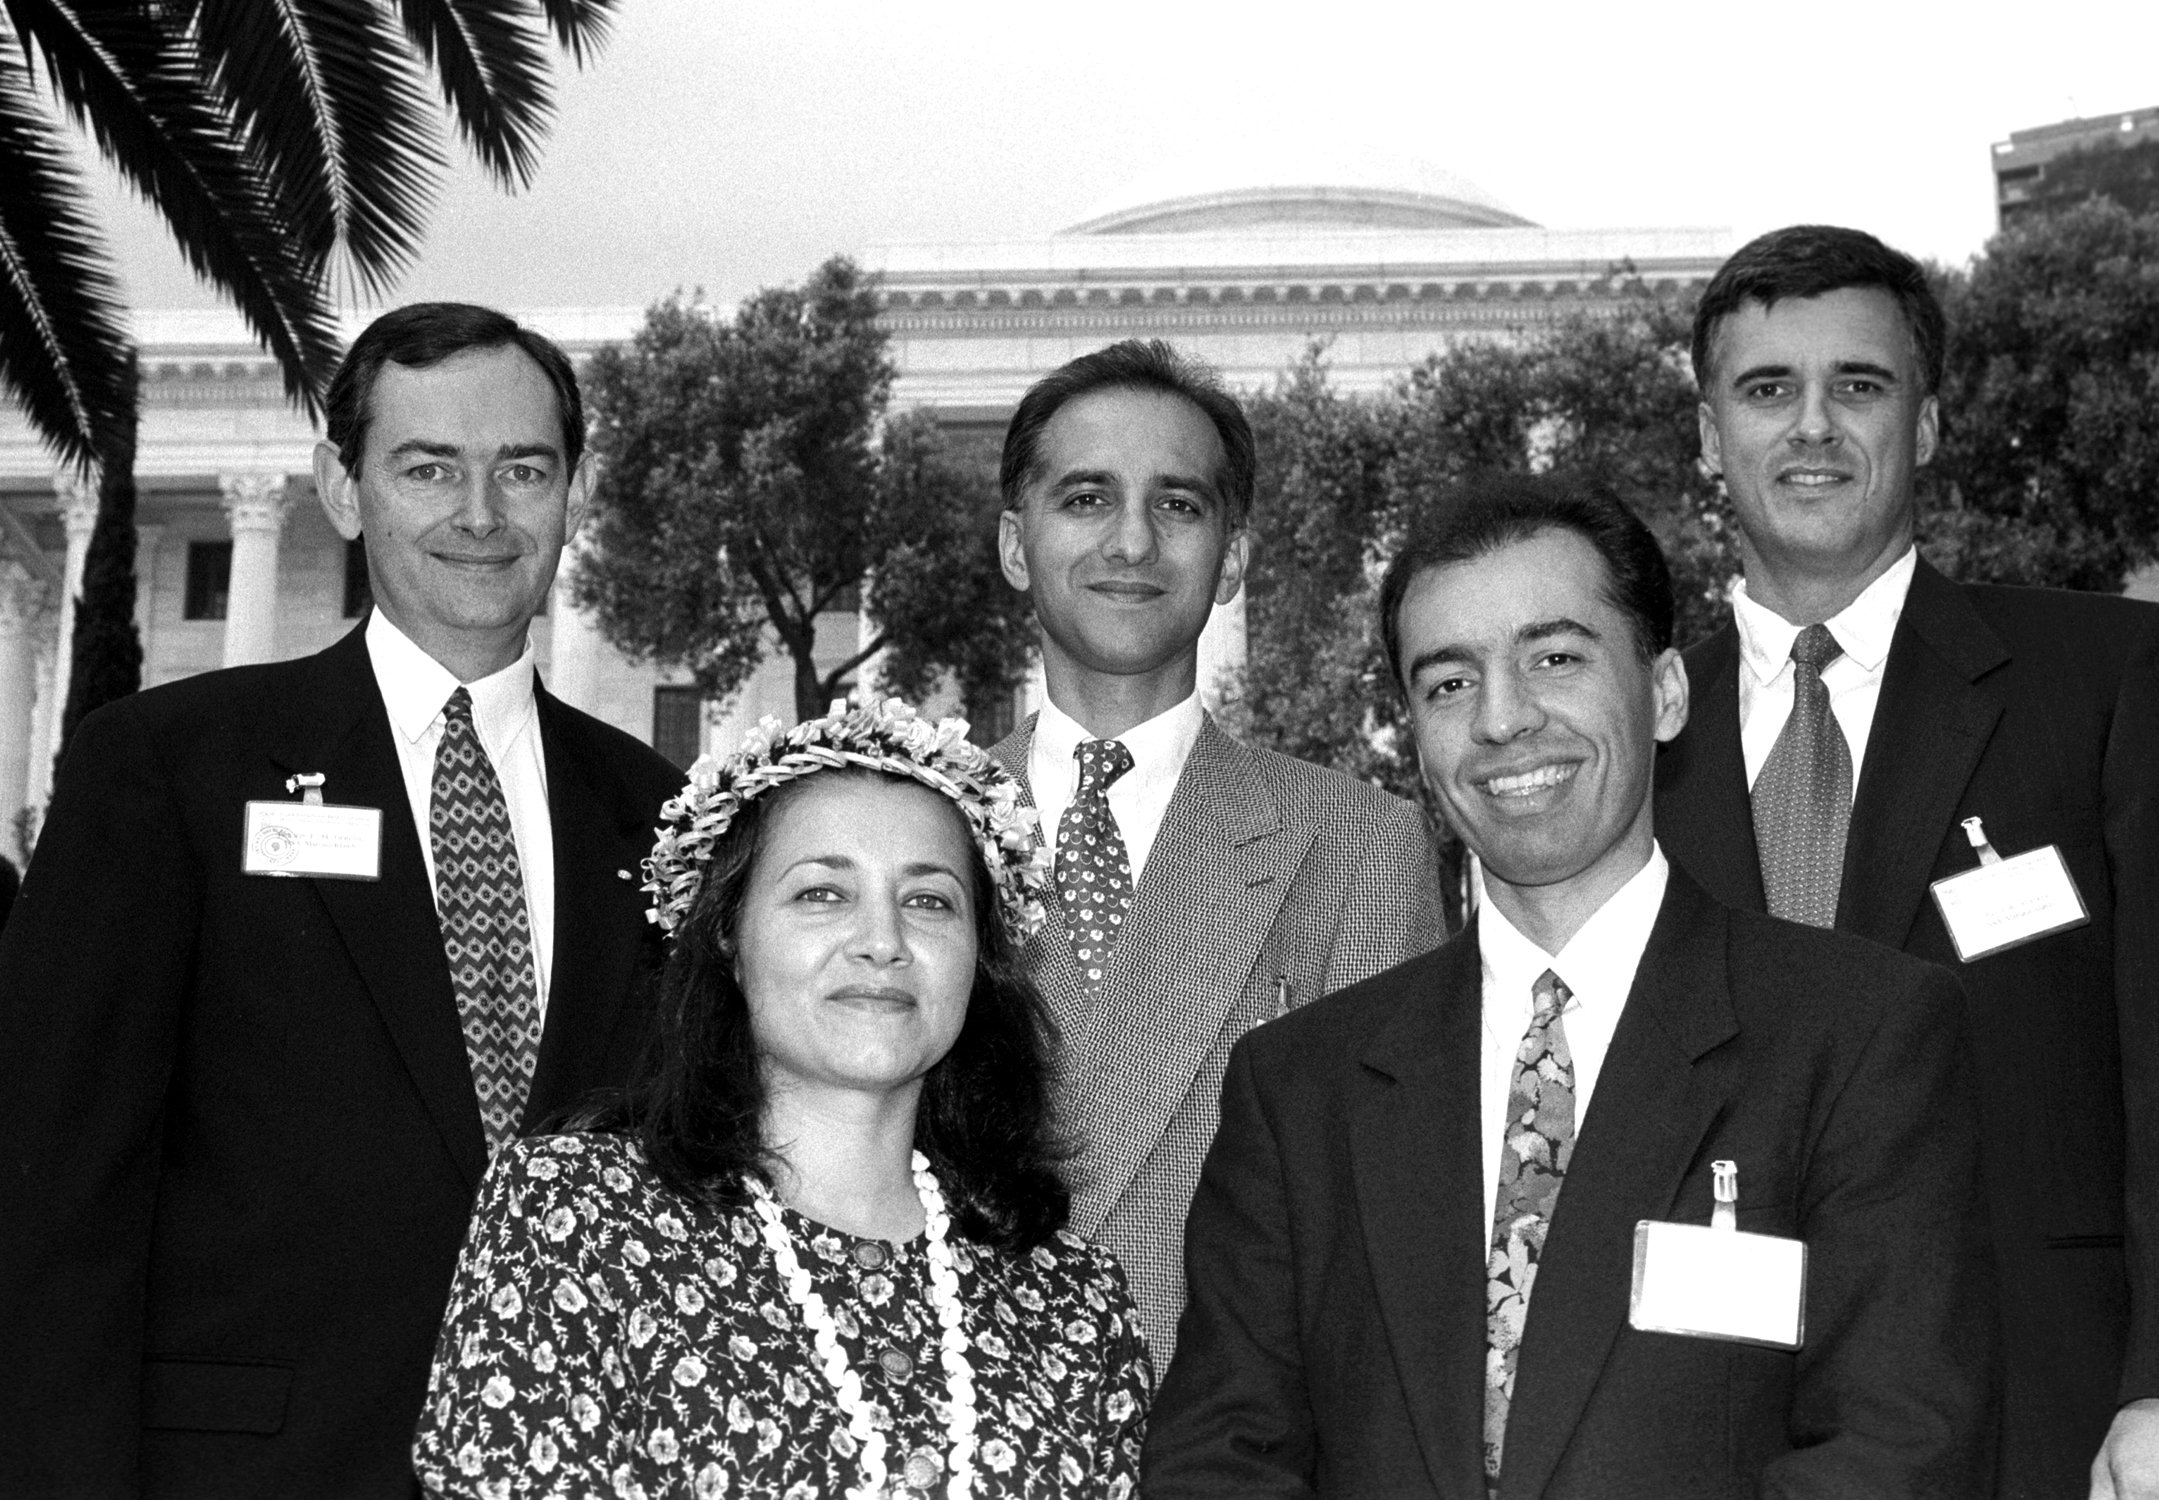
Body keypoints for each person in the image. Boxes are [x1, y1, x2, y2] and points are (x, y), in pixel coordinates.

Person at [1146, 474, 1998, 1498]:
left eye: (1553, 657)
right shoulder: (1299, 1088)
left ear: (1668, 692)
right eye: (1449, 683)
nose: (1502, 720)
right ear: (1415, 741)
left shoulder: (1858, 1037)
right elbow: (1220, 1458)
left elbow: (1895, 1450)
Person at [1655, 224, 2159, 1500]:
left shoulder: (2114, 682)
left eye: (1860, 384)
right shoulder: (1627, 737)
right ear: (1704, 437)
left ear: (1933, 422)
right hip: (1705, 1437)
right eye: (1764, 389)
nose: (1811, 428)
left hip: (2054, 1426)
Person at [0, 303, 684, 1496]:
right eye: (429, 468)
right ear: (342, 486)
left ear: (573, 495)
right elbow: (50, 1194)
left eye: (523, 470)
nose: (480, 515)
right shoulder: (171, 770)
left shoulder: (658, 813)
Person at [413, 698, 1150, 1497]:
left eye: (929, 901)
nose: (881, 940)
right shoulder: (574, 1218)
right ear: (729, 936)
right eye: (822, 894)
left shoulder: (1071, 1295)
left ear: (982, 957)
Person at [988, 339, 1443, 1374]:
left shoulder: (1362, 845)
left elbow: (1389, 1233)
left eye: (1179, 505)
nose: (1132, 541)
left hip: (1232, 1447)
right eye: (1086, 499)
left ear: (1231, 556)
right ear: (1016, 545)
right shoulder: (909, 827)